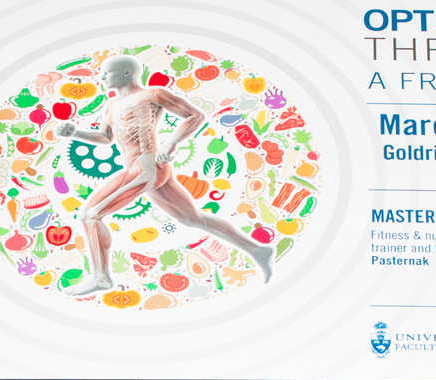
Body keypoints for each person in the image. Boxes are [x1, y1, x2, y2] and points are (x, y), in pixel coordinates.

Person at [55, 54, 275, 297]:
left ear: (127, 72)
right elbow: (106, 139)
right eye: (102, 73)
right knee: (191, 219)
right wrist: (76, 133)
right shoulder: (110, 106)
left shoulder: (151, 94)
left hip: (146, 164)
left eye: (107, 72)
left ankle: (101, 278)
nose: (102, 77)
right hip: (144, 169)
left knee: (89, 215)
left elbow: (195, 115)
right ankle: (257, 250)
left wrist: (170, 143)